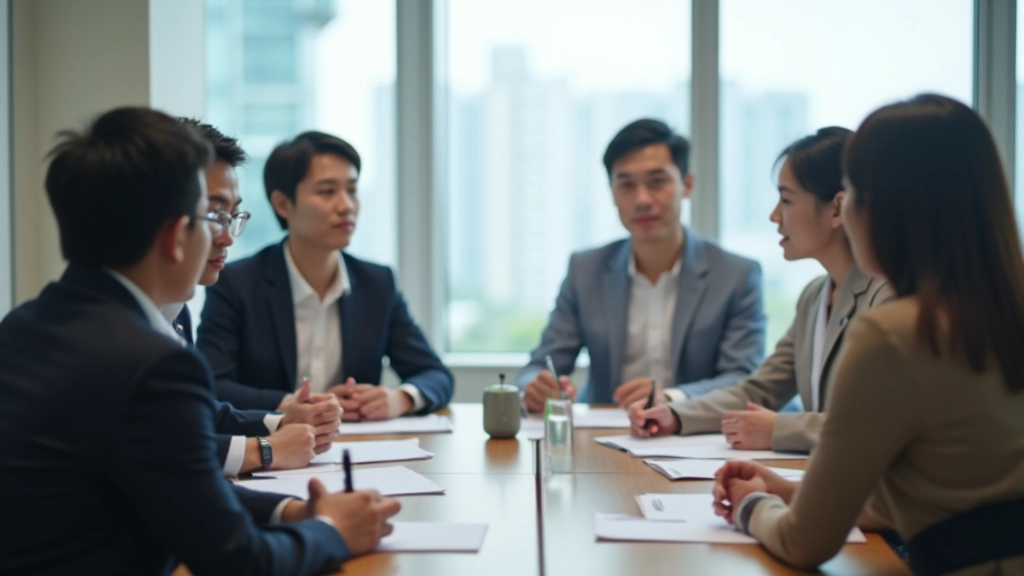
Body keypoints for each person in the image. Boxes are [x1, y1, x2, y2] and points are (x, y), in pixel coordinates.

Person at [0, 107, 400, 574]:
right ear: (175, 236)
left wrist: (291, 512)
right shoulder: (149, 363)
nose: (225, 237)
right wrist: (332, 529)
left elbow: (172, 483)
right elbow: (236, 560)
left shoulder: (23, 327)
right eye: (211, 217)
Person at [711, 94, 1024, 573]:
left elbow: (804, 543)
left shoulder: (895, 334)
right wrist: (789, 489)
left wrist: (751, 506)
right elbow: (948, 497)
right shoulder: (999, 312)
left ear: (891, 207)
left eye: (851, 192)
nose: (846, 209)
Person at [628, 127, 892, 453]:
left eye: (786, 199)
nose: (774, 215)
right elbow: (759, 390)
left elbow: (878, 424)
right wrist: (675, 414)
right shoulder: (814, 297)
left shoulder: (888, 297)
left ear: (837, 209)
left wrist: (778, 428)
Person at [197, 130, 454, 419]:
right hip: (273, 450)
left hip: (358, 450)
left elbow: (436, 375)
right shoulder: (237, 282)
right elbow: (212, 384)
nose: (346, 206)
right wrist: (292, 404)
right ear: (283, 204)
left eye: (352, 190)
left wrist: (400, 398)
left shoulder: (377, 283)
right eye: (327, 191)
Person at [516, 118, 766, 412]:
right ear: (611, 192)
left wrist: (672, 399)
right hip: (607, 433)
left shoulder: (736, 274)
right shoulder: (586, 270)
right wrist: (534, 388)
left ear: (687, 184)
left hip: (697, 435)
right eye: (626, 185)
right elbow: (540, 365)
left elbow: (742, 378)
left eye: (657, 182)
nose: (642, 199)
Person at [168, 118, 342, 475]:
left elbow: (195, 411)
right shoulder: (111, 330)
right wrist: (266, 449)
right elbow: (167, 447)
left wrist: (279, 422)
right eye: (215, 215)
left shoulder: (173, 306)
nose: (228, 236)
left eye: (232, 216)